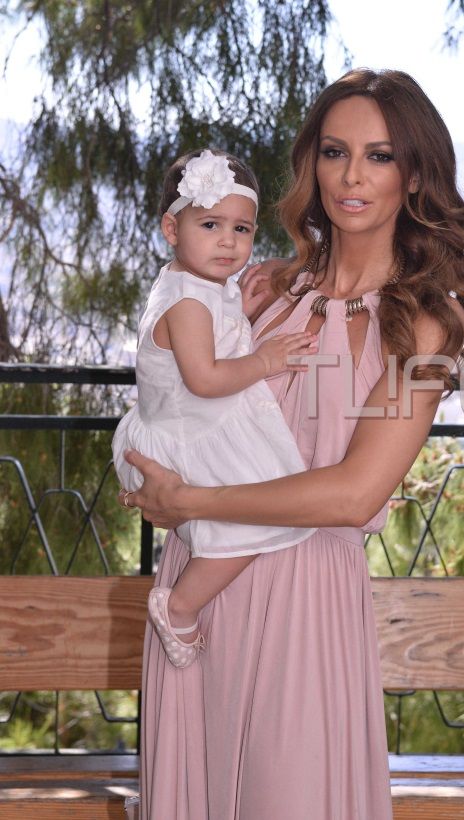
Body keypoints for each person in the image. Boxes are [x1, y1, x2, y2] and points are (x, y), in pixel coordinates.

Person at [120, 68, 464, 820]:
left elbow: (354, 495)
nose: (351, 176)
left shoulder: (426, 326)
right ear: (311, 163)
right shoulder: (259, 290)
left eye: (380, 156)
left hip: (307, 608)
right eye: (334, 152)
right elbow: (173, 402)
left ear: (415, 174)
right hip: (198, 598)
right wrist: (160, 484)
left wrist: (190, 499)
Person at [112, 147, 318, 668]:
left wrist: (238, 313)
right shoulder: (187, 300)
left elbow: (210, 335)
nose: (228, 241)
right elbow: (204, 380)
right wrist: (266, 360)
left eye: (241, 229)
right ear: (172, 228)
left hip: (186, 426)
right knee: (254, 517)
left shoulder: (199, 286)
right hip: (184, 440)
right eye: (210, 225)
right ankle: (180, 603)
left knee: (261, 507)